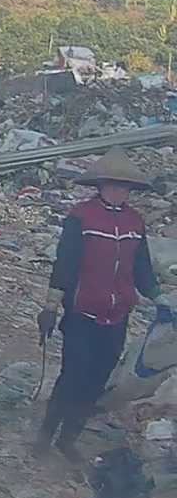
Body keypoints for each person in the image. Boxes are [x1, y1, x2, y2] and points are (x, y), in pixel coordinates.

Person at [36, 147, 173, 461]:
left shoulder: (134, 222)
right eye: (113, 184)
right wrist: (50, 306)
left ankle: (68, 439)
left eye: (124, 186)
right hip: (81, 313)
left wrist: (158, 297)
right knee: (72, 376)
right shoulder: (81, 217)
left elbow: (142, 267)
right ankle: (45, 436)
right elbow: (65, 264)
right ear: (100, 185)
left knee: (97, 380)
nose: (118, 191)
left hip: (117, 317)